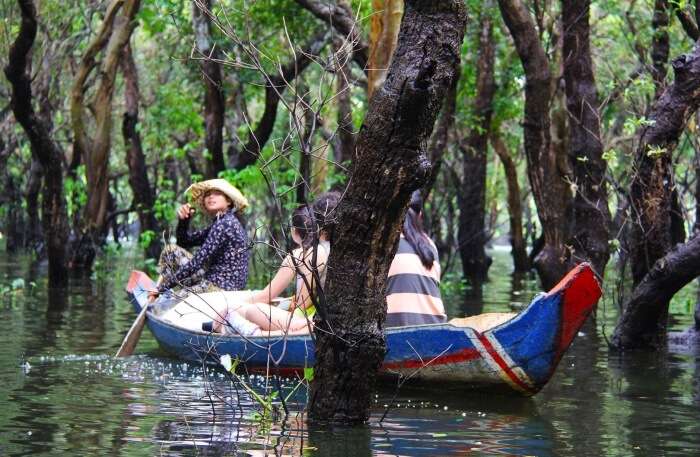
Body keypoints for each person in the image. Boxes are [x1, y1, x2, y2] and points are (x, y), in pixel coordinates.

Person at [212, 191, 340, 336]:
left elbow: (300, 303)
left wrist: (233, 307)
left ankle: (256, 332)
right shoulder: (341, 251)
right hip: (323, 319)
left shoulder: (317, 252)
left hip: (313, 322)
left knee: (253, 310)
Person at [149, 178, 250, 302]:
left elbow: (196, 263)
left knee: (172, 301)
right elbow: (184, 242)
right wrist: (184, 221)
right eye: (207, 194)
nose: (211, 197)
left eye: (217, 193)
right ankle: (158, 288)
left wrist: (163, 289)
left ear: (228, 201)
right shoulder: (220, 222)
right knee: (171, 250)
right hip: (213, 281)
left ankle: (158, 291)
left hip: (222, 289)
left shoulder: (225, 223)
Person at [385, 190, 446, 327]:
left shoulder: (385, 245)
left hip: (396, 328)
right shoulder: (430, 245)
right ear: (420, 215)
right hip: (437, 328)